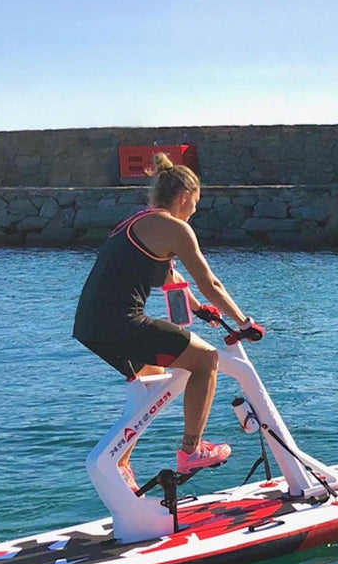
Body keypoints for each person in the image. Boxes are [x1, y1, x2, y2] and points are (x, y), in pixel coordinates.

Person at [73, 153, 255, 490]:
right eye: (195, 202)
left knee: (154, 382)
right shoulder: (175, 227)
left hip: (91, 325)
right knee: (206, 360)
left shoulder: (139, 222)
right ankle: (192, 450)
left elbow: (172, 278)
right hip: (120, 321)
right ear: (185, 195)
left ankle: (121, 463)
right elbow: (210, 281)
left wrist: (200, 309)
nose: (195, 211)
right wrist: (244, 321)